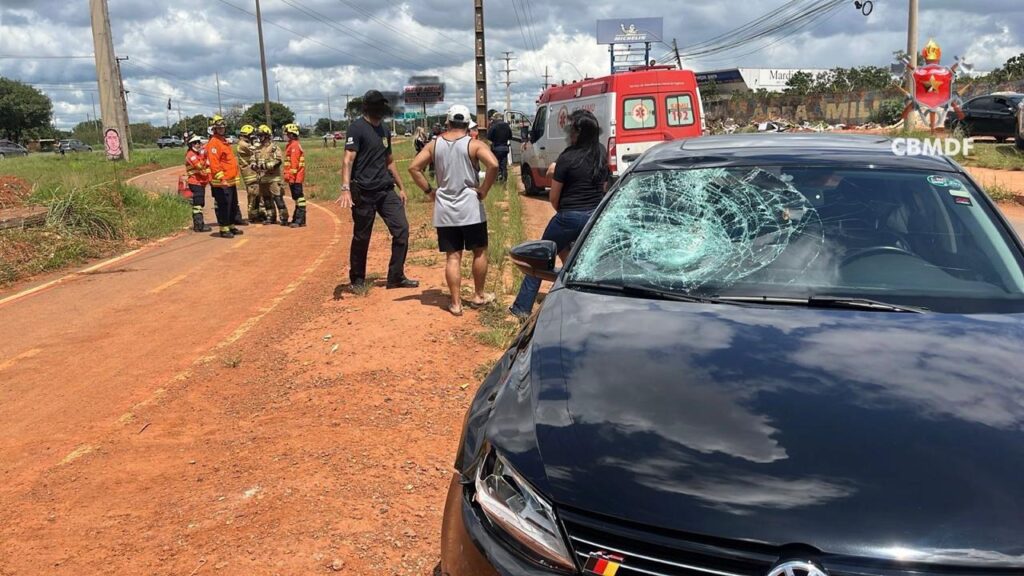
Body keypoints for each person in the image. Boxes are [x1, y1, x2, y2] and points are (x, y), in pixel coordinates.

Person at [508, 109, 609, 320]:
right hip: (595, 216)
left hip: (570, 215)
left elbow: (554, 198)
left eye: (571, 128)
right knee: (581, 258)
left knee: (538, 257)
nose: (568, 132)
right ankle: (583, 299)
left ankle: (521, 307)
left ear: (578, 132)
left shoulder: (567, 157)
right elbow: (604, 186)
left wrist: (566, 218)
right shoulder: (600, 151)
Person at [409, 104, 499, 316]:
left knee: (452, 256)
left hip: (445, 208)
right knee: (479, 251)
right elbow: (493, 165)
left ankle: (456, 303)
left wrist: (429, 190)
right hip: (470, 206)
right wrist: (484, 190)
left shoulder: (434, 144)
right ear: (468, 124)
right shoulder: (474, 144)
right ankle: (478, 295)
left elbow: (414, 167)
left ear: (448, 122)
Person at [338, 89, 418, 290]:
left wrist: (401, 186)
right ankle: (357, 279)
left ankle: (396, 276)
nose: (380, 109)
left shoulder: (384, 129)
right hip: (363, 192)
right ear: (367, 107)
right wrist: (345, 188)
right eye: (376, 105)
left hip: (385, 189)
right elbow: (348, 159)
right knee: (362, 236)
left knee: (402, 230)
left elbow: (389, 161)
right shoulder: (356, 128)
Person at [206, 115, 245, 239]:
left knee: (233, 204)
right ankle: (224, 228)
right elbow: (214, 163)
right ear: (214, 129)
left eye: (223, 127)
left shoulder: (223, 141)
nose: (222, 129)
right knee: (224, 205)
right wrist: (221, 179)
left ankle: (231, 225)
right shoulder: (214, 143)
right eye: (219, 128)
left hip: (230, 180)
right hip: (221, 182)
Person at [254, 124, 288, 226]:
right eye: (259, 136)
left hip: (273, 178)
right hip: (262, 179)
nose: (260, 138)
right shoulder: (257, 148)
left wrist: (266, 166)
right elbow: (253, 159)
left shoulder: (274, 148)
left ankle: (284, 218)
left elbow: (278, 161)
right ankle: (271, 217)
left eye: (261, 135)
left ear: (267, 136)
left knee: (278, 198)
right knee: (267, 199)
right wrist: (253, 165)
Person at [236, 124, 264, 223]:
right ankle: (253, 216)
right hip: (249, 173)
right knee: (253, 195)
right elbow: (255, 150)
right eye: (252, 134)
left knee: (258, 195)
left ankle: (259, 214)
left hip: (253, 172)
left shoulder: (246, 143)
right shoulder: (243, 144)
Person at [184, 135, 212, 232]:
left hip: (200, 182)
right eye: (195, 143)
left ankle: (198, 225)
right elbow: (199, 166)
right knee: (198, 204)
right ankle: (199, 225)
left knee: (200, 204)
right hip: (195, 182)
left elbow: (208, 164)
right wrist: (205, 161)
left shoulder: (199, 154)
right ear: (191, 144)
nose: (197, 144)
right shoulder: (191, 155)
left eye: (199, 142)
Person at [283, 123, 307, 228]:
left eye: (287, 133)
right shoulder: (292, 144)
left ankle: (299, 220)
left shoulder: (294, 146)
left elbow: (294, 164)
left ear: (292, 134)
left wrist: (291, 177)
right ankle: (298, 219)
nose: (286, 135)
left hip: (296, 178)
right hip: (294, 177)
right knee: (297, 198)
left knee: (299, 198)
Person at [486, 112, 513, 182]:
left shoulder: (494, 126)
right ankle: (504, 181)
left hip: (496, 149)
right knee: (504, 166)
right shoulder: (507, 126)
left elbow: (489, 137)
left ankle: (496, 180)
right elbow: (510, 136)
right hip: (504, 149)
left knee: (496, 165)